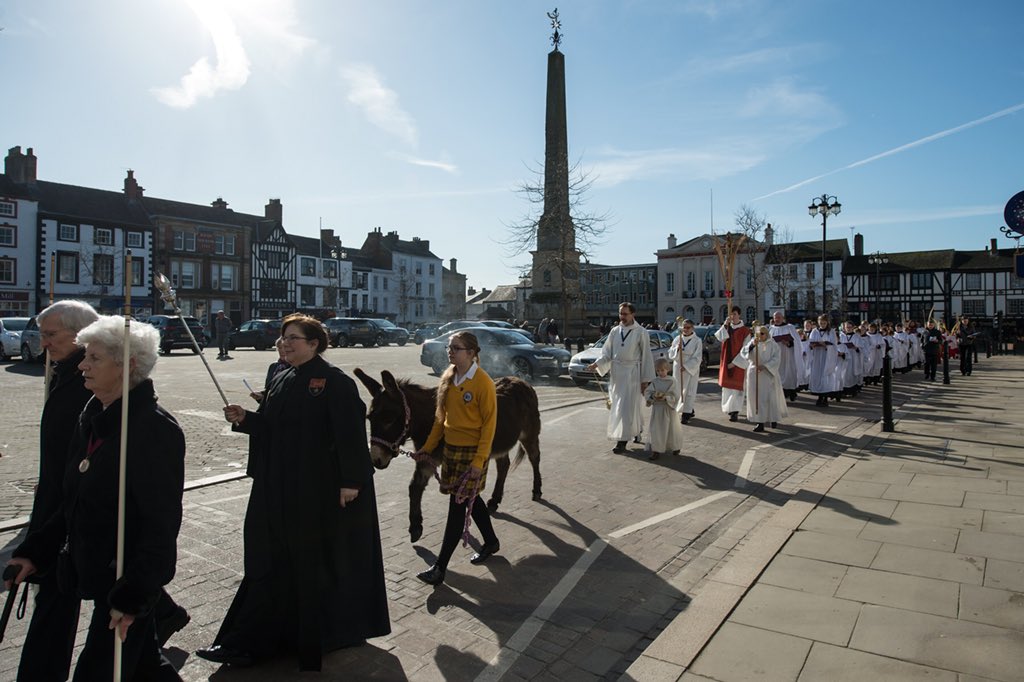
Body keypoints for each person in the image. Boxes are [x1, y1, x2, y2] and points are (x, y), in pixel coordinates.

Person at [9, 302, 189, 682]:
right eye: (84, 355)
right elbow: (73, 502)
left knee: (100, 671)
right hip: (90, 568)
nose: (82, 365)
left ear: (128, 366)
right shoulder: (92, 414)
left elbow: (161, 523)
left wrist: (135, 596)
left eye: (94, 358)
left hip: (124, 580)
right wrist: (35, 551)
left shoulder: (155, 431)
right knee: (142, 668)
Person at [200, 314, 390, 671]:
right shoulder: (282, 375)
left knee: (303, 565)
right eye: (284, 338)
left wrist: (351, 482)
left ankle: (259, 641)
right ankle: (254, 638)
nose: (285, 344)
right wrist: (245, 418)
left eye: (294, 339)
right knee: (266, 558)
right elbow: (272, 425)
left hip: (313, 493)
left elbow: (349, 436)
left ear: (314, 344)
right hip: (277, 486)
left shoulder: (335, 382)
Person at [412, 331, 502, 586]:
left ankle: (440, 568)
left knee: (458, 507)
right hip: (452, 450)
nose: (450, 352)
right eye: (449, 348)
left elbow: (489, 426)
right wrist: (427, 449)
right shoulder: (449, 378)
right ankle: (492, 542)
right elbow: (441, 421)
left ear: (472, 353)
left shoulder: (483, 382)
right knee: (471, 499)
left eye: (456, 348)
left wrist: (478, 462)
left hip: (473, 453)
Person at [587, 302, 655, 453]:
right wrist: (596, 364)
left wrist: (645, 380)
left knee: (626, 407)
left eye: (625, 314)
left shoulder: (641, 332)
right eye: (620, 314)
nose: (622, 317)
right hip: (617, 373)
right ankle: (637, 430)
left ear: (633, 314)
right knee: (622, 406)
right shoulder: (614, 331)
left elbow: (647, 357)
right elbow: (607, 353)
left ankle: (622, 441)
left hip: (632, 373)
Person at [741, 324, 788, 432]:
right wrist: (752, 346)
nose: (759, 336)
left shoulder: (772, 344)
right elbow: (743, 352)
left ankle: (773, 418)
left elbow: (776, 358)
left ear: (766, 334)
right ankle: (760, 421)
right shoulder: (753, 342)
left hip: (768, 374)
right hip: (755, 372)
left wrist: (766, 366)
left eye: (762, 334)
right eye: (757, 334)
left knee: (770, 398)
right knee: (756, 398)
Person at [714, 306, 750, 421]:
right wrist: (725, 325)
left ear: (739, 315)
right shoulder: (727, 328)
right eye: (730, 314)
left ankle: (735, 411)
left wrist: (734, 363)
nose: (732, 316)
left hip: (738, 363)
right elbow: (720, 337)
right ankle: (729, 409)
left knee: (736, 389)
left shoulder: (745, 331)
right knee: (727, 388)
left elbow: (746, 349)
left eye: (734, 314)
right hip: (726, 361)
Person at [643, 358, 681, 460]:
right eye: (658, 371)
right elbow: (648, 392)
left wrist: (666, 397)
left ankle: (675, 447)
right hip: (658, 409)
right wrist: (652, 397)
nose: (660, 373)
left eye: (662, 370)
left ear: (667, 369)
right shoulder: (655, 381)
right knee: (657, 430)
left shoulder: (672, 381)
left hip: (668, 408)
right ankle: (656, 450)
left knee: (671, 429)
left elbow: (676, 395)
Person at [669, 318, 701, 423]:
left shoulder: (697, 341)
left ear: (692, 328)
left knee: (689, 391)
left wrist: (687, 366)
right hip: (678, 366)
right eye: (684, 327)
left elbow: (697, 357)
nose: (686, 330)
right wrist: (676, 349)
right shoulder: (677, 339)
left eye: (688, 327)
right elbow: (670, 353)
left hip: (690, 369)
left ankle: (686, 413)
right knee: (678, 389)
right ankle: (679, 409)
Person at [768, 311, 802, 402]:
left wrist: (789, 343)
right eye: (775, 317)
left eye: (779, 317)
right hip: (776, 355)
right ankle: (780, 392)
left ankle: (791, 392)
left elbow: (797, 341)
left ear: (783, 318)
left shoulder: (790, 327)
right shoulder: (771, 329)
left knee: (789, 372)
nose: (777, 319)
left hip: (788, 354)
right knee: (778, 373)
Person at [808, 315, 840, 406]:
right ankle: (819, 397)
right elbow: (809, 343)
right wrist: (812, 345)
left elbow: (834, 345)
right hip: (817, 356)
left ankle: (825, 398)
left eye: (824, 323)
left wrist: (826, 345)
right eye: (821, 323)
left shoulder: (831, 332)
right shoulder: (814, 331)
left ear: (827, 323)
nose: (822, 325)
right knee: (817, 375)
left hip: (827, 357)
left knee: (825, 376)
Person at [250, 337, 289, 403]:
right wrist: (261, 396)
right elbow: (269, 389)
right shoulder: (274, 366)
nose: (282, 351)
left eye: (285, 347)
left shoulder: (295, 368)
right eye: (279, 348)